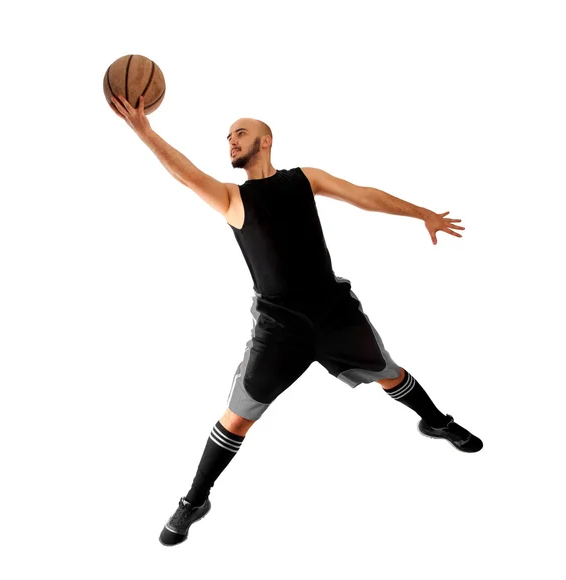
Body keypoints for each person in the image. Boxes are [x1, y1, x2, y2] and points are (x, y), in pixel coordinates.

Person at [109, 94, 483, 547]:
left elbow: (363, 195)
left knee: (391, 374)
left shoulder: (304, 179)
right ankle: (194, 500)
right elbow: (186, 175)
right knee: (237, 419)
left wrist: (422, 213)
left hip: (333, 312)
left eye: (239, 133)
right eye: (227, 136)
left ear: (265, 141)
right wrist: (145, 132)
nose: (231, 141)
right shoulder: (232, 197)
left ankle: (437, 422)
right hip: (280, 327)